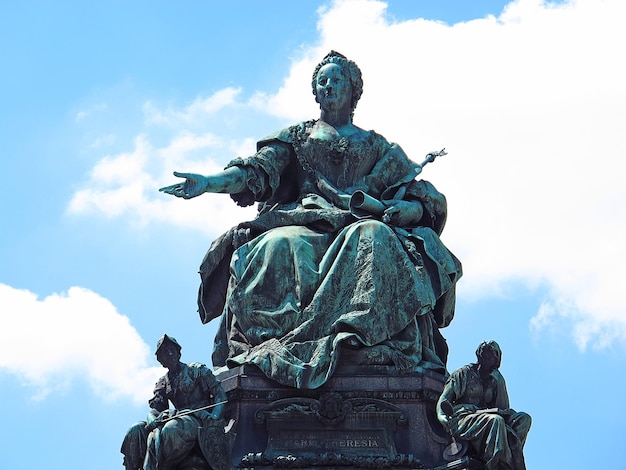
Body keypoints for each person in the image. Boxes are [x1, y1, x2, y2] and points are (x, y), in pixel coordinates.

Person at [160, 51, 462, 389]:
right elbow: (255, 171)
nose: (329, 85)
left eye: (337, 80)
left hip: (358, 222)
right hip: (304, 221)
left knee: (375, 236)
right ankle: (277, 345)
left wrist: (412, 210)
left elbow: (419, 195)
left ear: (353, 91)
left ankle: (360, 337)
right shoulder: (297, 137)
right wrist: (209, 183)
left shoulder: (378, 147)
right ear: (315, 92)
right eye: (322, 81)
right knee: (274, 245)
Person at [120, 334, 229, 470]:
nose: (170, 353)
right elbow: (156, 409)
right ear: (161, 361)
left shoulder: (197, 370)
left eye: (172, 349)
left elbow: (220, 397)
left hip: (198, 419)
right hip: (176, 418)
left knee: (170, 429)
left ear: (179, 352)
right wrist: (151, 417)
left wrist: (214, 418)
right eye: (165, 352)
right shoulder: (163, 383)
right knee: (135, 430)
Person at [436, 340, 531, 470]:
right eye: (484, 354)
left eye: (492, 356)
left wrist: (499, 384)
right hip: (463, 417)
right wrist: (442, 416)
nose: (487, 358)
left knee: (524, 419)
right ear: (479, 355)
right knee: (495, 421)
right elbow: (444, 398)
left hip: (486, 417)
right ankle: (496, 465)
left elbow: (504, 409)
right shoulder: (464, 373)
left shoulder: (496, 379)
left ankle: (510, 460)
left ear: (497, 360)